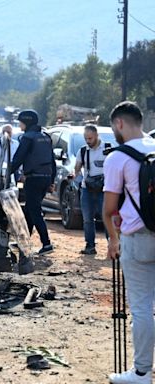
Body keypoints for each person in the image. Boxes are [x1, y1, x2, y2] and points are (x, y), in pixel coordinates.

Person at [103, 101, 155, 384]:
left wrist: (113, 238)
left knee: (143, 306)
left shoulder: (118, 158)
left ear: (119, 124)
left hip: (138, 239)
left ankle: (142, 373)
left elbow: (109, 208)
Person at [11, 109, 56, 255]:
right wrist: (52, 181)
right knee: (30, 210)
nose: (19, 125)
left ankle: (47, 243)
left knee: (34, 211)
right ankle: (24, 243)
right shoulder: (45, 137)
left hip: (33, 179)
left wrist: (7, 173)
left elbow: (18, 158)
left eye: (20, 122)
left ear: (26, 121)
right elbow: (52, 161)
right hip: (45, 178)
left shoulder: (27, 138)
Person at [72, 125, 108, 255]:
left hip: (105, 189)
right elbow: (77, 168)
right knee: (87, 218)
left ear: (97, 135)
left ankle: (113, 245)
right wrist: (75, 176)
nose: (88, 141)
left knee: (107, 218)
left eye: (90, 138)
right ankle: (90, 246)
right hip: (87, 188)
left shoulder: (108, 149)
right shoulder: (83, 151)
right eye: (86, 138)